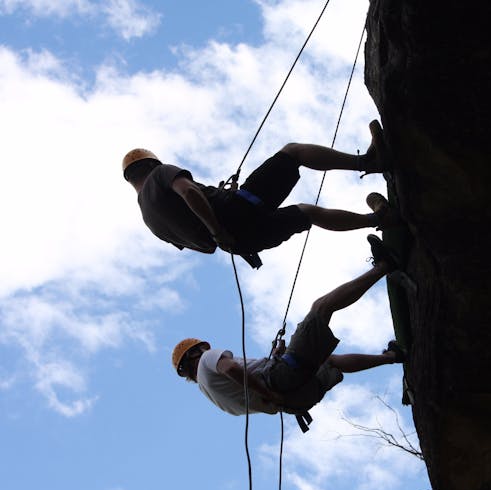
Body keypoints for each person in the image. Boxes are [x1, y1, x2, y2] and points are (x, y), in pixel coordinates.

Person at [171, 235, 405, 422]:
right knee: (320, 308)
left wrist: (275, 359)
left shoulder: (212, 395)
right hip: (278, 383)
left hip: (295, 401)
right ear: (195, 352)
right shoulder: (206, 361)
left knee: (329, 361)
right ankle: (385, 266)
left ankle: (393, 357)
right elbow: (231, 368)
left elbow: (249, 393)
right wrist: (268, 389)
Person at [122, 120, 399, 268]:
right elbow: (190, 193)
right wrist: (218, 221)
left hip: (241, 242)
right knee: (293, 152)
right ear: (151, 163)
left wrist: (219, 230)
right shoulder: (160, 175)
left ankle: (378, 219)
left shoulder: (151, 222)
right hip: (236, 213)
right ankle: (369, 162)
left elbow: (205, 247)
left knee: (307, 213)